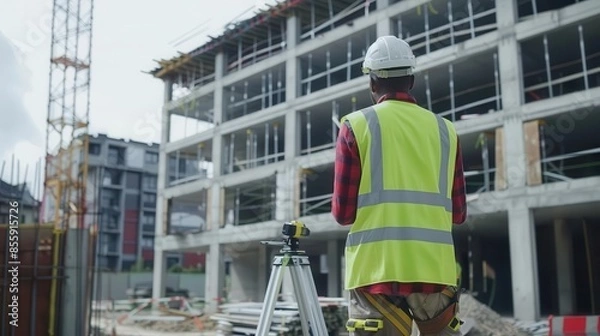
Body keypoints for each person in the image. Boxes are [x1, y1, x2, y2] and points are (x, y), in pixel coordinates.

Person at [332, 36, 467, 336]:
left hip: (375, 273)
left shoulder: (355, 126)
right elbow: (458, 214)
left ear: (372, 82)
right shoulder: (446, 131)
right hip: (434, 273)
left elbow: (343, 214)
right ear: (412, 79)